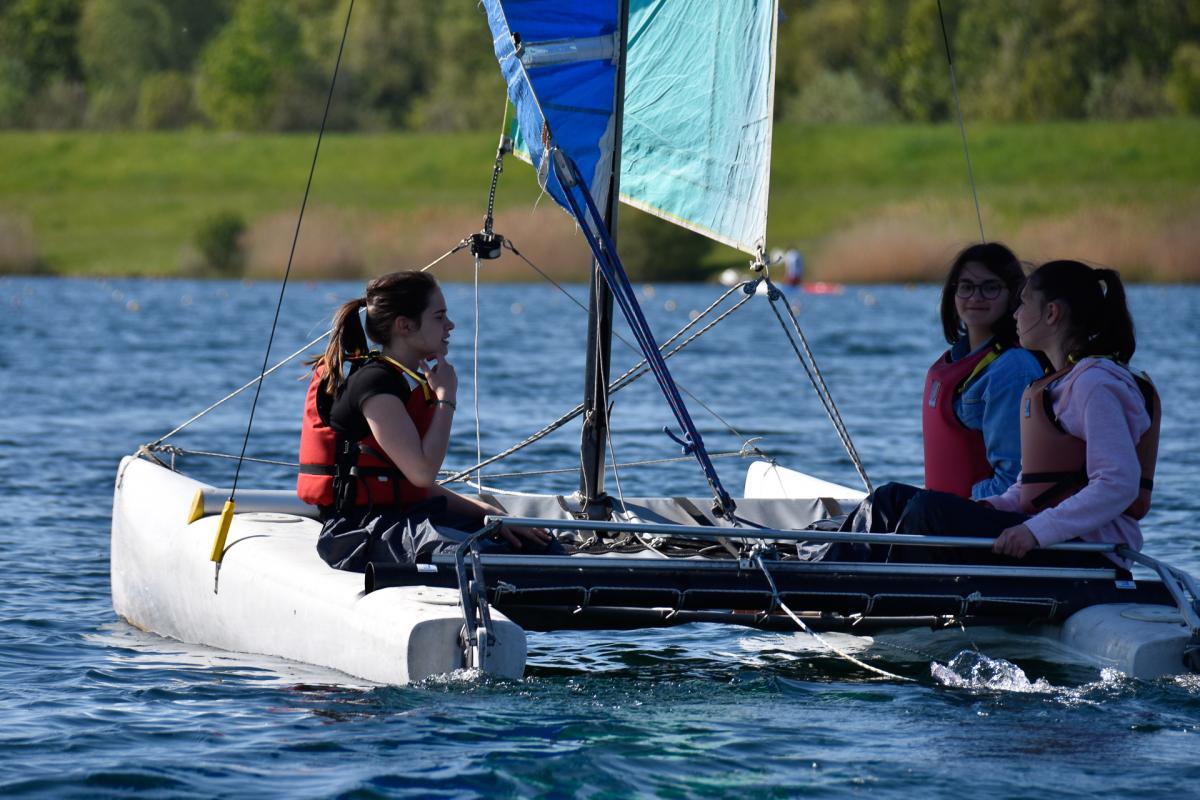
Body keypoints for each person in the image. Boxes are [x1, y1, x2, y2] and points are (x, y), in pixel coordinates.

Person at [850, 259, 1159, 572]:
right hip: (1049, 539)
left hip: (1086, 552)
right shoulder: (1059, 382)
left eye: (1023, 303)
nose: (1015, 314)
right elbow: (1030, 488)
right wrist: (983, 508)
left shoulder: (1095, 385)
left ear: (1051, 313)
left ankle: (876, 584)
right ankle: (840, 575)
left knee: (928, 512)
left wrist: (1034, 532)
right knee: (891, 499)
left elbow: (1117, 483)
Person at [297, 270, 555, 571]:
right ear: (405, 325)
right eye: (439, 317)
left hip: (403, 516)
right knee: (483, 556)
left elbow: (410, 485)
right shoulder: (375, 385)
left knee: (540, 545)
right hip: (359, 532)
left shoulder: (397, 380)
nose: (450, 325)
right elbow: (421, 474)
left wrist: (489, 513)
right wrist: (446, 398)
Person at [923, 242, 1046, 499]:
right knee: (889, 499)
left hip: (984, 517)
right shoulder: (955, 360)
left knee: (890, 501)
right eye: (966, 287)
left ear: (1014, 295)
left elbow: (1014, 481)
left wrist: (958, 509)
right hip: (945, 513)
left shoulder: (1013, 368)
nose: (976, 297)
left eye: (990, 288)